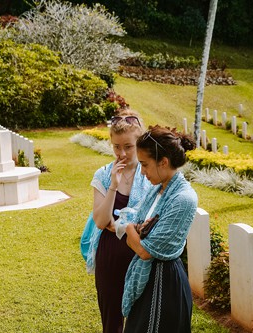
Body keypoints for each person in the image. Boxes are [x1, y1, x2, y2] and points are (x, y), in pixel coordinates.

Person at [121, 125, 198, 333]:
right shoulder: (157, 190)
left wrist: (130, 229)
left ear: (163, 162)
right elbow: (138, 234)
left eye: (145, 165)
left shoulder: (183, 199)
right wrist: (136, 232)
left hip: (164, 285)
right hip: (148, 279)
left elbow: (145, 251)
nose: (142, 172)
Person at [86, 110, 151, 333]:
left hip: (139, 254)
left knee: (140, 319)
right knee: (111, 322)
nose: (121, 153)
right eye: (116, 146)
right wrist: (113, 184)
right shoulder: (103, 174)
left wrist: (120, 226)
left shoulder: (150, 175)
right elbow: (101, 221)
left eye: (128, 146)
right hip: (110, 255)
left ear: (139, 143)